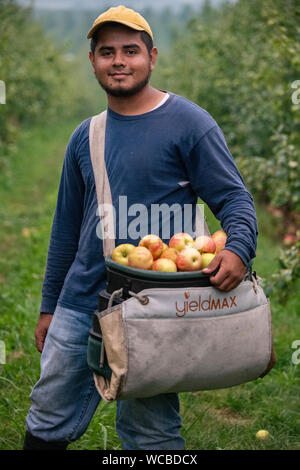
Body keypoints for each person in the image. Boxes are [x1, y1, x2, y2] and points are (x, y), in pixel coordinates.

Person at [23, 5, 258, 450]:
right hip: (82, 300)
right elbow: (65, 231)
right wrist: (50, 305)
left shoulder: (190, 123)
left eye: (130, 51)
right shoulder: (85, 136)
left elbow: (234, 198)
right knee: (48, 414)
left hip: (157, 303)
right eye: (106, 52)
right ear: (92, 60)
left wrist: (238, 247)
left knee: (150, 433)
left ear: (151, 56)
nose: (119, 61)